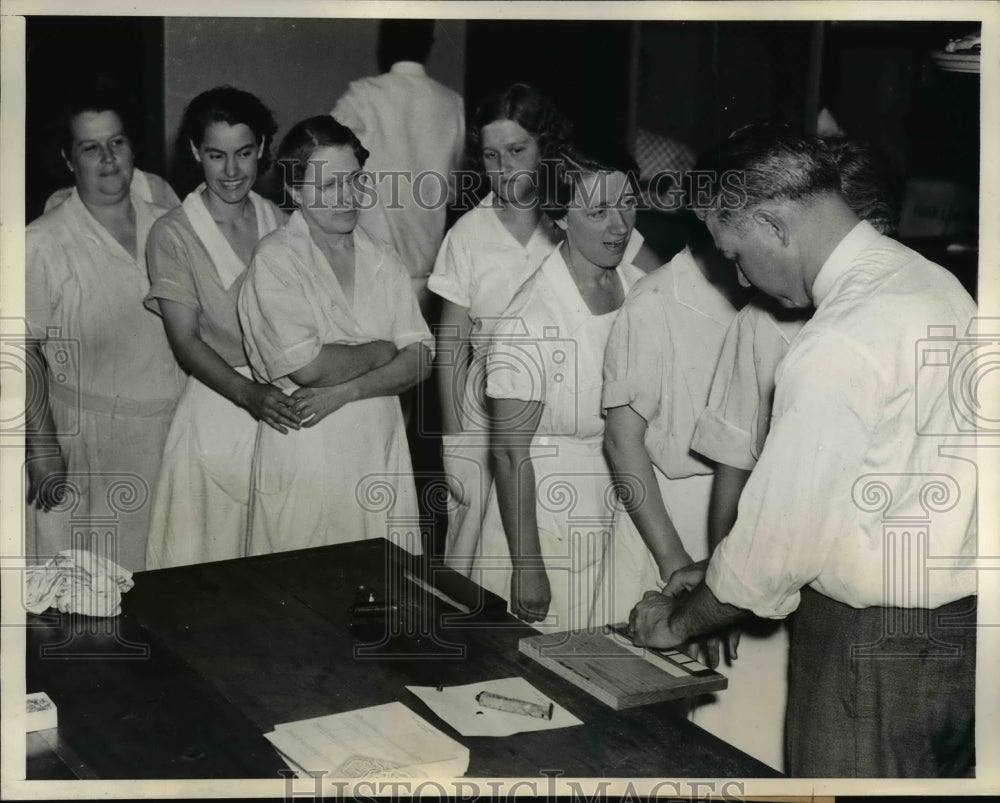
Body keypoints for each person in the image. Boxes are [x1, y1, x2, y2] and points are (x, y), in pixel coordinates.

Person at [628, 126, 977, 777]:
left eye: (736, 254)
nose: (739, 276)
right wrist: (719, 570)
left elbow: (776, 552)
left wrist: (675, 623)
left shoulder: (835, 342)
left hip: (866, 657)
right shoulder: (938, 286)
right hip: (963, 642)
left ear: (773, 224)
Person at [430, 84, 660, 576]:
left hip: (576, 408)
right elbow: (450, 345)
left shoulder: (586, 207)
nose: (505, 168)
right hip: (490, 416)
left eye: (517, 151)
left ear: (544, 147)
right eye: (491, 156)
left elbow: (657, 284)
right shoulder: (468, 234)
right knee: (482, 555)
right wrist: (454, 443)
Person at [601, 211, 787, 767]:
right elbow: (623, 443)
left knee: (745, 719)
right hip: (665, 528)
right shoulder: (653, 301)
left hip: (749, 526)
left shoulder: (775, 299)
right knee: (656, 729)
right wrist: (681, 572)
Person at [691, 138, 905, 565]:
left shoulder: (901, 310)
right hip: (772, 560)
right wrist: (718, 573)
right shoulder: (762, 322)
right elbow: (735, 458)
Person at [472, 149, 651, 630]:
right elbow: (509, 453)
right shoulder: (529, 319)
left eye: (627, 203)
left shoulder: (641, 290)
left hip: (621, 508)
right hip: (544, 521)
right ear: (560, 217)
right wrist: (529, 567)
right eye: (598, 212)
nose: (620, 226)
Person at [238, 115, 433, 556]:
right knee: (305, 583)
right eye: (329, 186)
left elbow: (421, 359)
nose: (347, 197)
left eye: (354, 180)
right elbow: (309, 368)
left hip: (378, 448)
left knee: (384, 584)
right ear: (295, 191)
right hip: (308, 452)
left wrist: (345, 392)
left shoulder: (383, 258)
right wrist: (384, 350)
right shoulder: (276, 260)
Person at [25, 85, 185, 571]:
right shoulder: (42, 241)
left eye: (117, 142)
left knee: (169, 585)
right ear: (68, 159)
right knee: (86, 588)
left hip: (171, 432)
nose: (109, 159)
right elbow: (20, 348)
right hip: (87, 444)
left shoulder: (172, 226)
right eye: (91, 148)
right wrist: (42, 446)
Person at [143, 87, 293, 570]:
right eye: (216, 155)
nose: (231, 171)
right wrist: (248, 394)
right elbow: (185, 341)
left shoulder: (281, 221)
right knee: (211, 566)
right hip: (218, 407)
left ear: (262, 147)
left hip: (282, 408)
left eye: (244, 153)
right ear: (195, 151)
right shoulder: (173, 233)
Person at [329, 18, 465, 318]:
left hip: (370, 274)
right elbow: (454, 191)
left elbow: (320, 161)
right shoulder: (453, 103)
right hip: (427, 282)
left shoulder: (364, 95)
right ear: (430, 43)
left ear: (385, 42)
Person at [45, 167, 179, 213]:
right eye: (91, 148)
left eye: (116, 142)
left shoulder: (152, 187)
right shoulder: (59, 202)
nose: (107, 157)